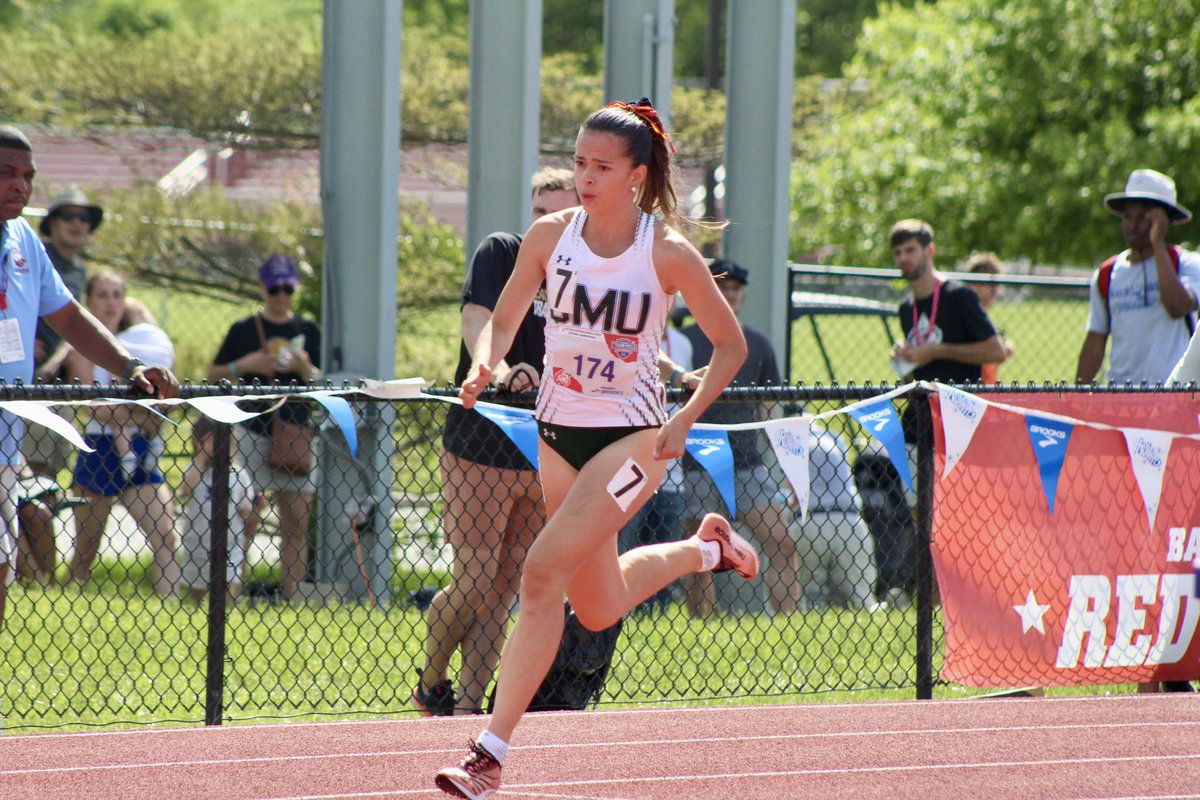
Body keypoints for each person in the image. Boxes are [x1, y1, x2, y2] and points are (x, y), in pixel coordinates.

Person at [435, 98, 756, 799]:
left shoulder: (666, 252)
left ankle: (488, 754)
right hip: (558, 432)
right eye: (579, 161)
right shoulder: (551, 236)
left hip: (634, 439)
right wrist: (482, 363)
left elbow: (729, 348)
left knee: (540, 573)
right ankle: (710, 551)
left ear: (636, 176)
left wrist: (685, 420)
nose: (585, 176)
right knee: (601, 605)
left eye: (601, 167)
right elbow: (505, 314)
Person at [414, 167, 578, 717]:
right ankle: (432, 679)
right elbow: (477, 319)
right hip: (480, 443)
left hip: (543, 451)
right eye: (539, 212)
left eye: (559, 213)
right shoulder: (502, 252)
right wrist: (501, 369)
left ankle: (465, 710)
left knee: (505, 592)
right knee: (477, 579)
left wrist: (677, 370)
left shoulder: (588, 274)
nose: (547, 223)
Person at [0, 125, 179, 630]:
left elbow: (71, 318)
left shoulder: (25, 243)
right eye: (7, 173)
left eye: (28, 176)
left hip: (4, 437)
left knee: (0, 569)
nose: (21, 185)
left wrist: (130, 367)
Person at [679, 259, 798, 617]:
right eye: (722, 287)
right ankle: (700, 631)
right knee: (699, 553)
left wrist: (785, 466)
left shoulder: (758, 344)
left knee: (782, 542)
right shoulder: (684, 341)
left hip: (747, 462)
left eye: (735, 288)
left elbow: (769, 410)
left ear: (742, 295)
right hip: (694, 462)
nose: (729, 294)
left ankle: (790, 626)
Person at [208, 255, 321, 601]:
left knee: (297, 524)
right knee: (244, 519)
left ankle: (292, 597)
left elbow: (322, 382)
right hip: (252, 431)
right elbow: (212, 374)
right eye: (275, 288)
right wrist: (245, 364)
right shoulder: (244, 330)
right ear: (263, 288)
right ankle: (231, 594)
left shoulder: (308, 330)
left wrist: (306, 369)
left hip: (296, 433)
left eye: (288, 287)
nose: (282, 294)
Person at [64, 272, 181, 599]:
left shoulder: (142, 344)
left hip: (142, 448)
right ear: (89, 302)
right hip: (98, 448)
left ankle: (170, 609)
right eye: (102, 295)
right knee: (86, 551)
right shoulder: (80, 349)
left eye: (117, 294)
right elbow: (93, 407)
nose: (111, 302)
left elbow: (168, 401)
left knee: (166, 537)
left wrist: (132, 411)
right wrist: (141, 413)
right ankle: (72, 606)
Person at [1075, 169, 1200, 385]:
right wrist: (1075, 399)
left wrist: (1157, 243)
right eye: (1127, 217)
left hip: (1174, 395)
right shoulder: (1107, 274)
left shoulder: (1186, 264)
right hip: (1122, 397)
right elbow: (1096, 340)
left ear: (1164, 220)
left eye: (1143, 218)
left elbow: (1177, 306)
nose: (1132, 225)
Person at [615, 316, 700, 613]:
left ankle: (657, 613)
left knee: (663, 548)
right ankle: (620, 610)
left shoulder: (682, 344)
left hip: (671, 470)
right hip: (629, 463)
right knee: (624, 546)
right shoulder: (625, 335)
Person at [20, 187, 100, 480]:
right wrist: (22, 339)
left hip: (60, 383)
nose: (78, 223)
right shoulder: (34, 258)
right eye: (69, 216)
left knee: (52, 472)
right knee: (31, 473)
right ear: (52, 223)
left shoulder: (79, 269)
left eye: (84, 218)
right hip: (26, 382)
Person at [790, 423, 877, 609]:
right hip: (849, 519)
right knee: (861, 601)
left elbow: (792, 492)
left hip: (809, 519)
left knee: (808, 601)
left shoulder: (787, 439)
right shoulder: (834, 436)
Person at [178, 415, 256, 605]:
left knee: (227, 584)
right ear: (197, 441)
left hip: (229, 542)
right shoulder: (194, 469)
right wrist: (202, 456)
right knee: (198, 587)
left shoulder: (237, 473)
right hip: (197, 540)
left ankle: (226, 607)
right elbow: (186, 490)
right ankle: (198, 610)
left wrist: (251, 508)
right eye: (208, 440)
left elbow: (245, 507)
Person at [964, 252, 1016, 385]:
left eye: (997, 282)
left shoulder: (985, 316)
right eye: (988, 282)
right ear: (972, 284)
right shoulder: (965, 317)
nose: (994, 287)